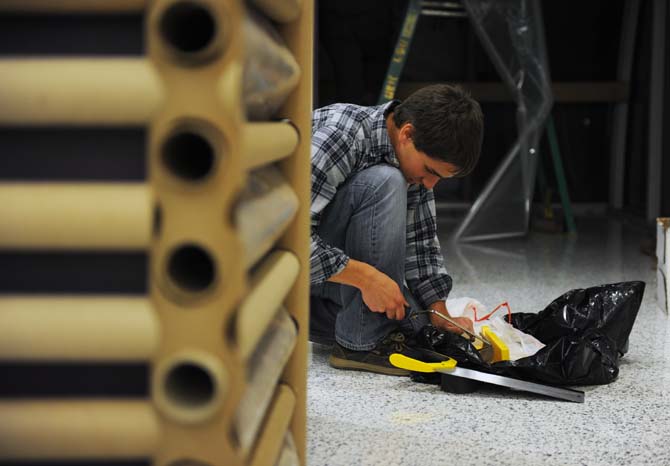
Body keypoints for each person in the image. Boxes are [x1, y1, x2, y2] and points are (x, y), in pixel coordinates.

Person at [309, 84, 484, 375]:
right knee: (385, 181)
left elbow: (421, 244)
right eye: (430, 171)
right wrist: (368, 279)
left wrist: (440, 312)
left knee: (420, 326)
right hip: (279, 274)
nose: (430, 184)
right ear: (406, 134)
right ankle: (361, 344)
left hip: (324, 282)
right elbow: (282, 233)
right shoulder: (342, 134)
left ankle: (351, 328)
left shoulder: (410, 163)